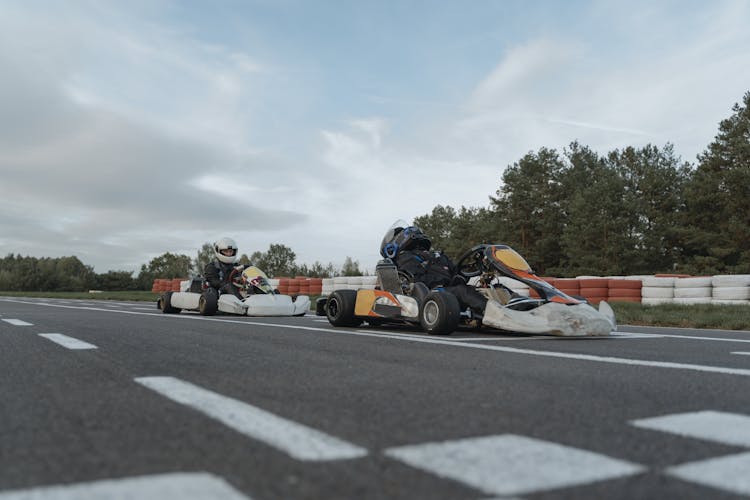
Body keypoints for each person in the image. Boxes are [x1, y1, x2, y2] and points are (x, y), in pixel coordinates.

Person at [380, 222, 488, 315]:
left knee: (478, 290)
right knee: (463, 291)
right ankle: (492, 313)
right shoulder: (406, 257)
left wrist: (465, 273)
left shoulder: (437, 255)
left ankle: (494, 312)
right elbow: (418, 280)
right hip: (432, 293)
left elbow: (457, 271)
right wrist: (447, 281)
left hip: (449, 293)